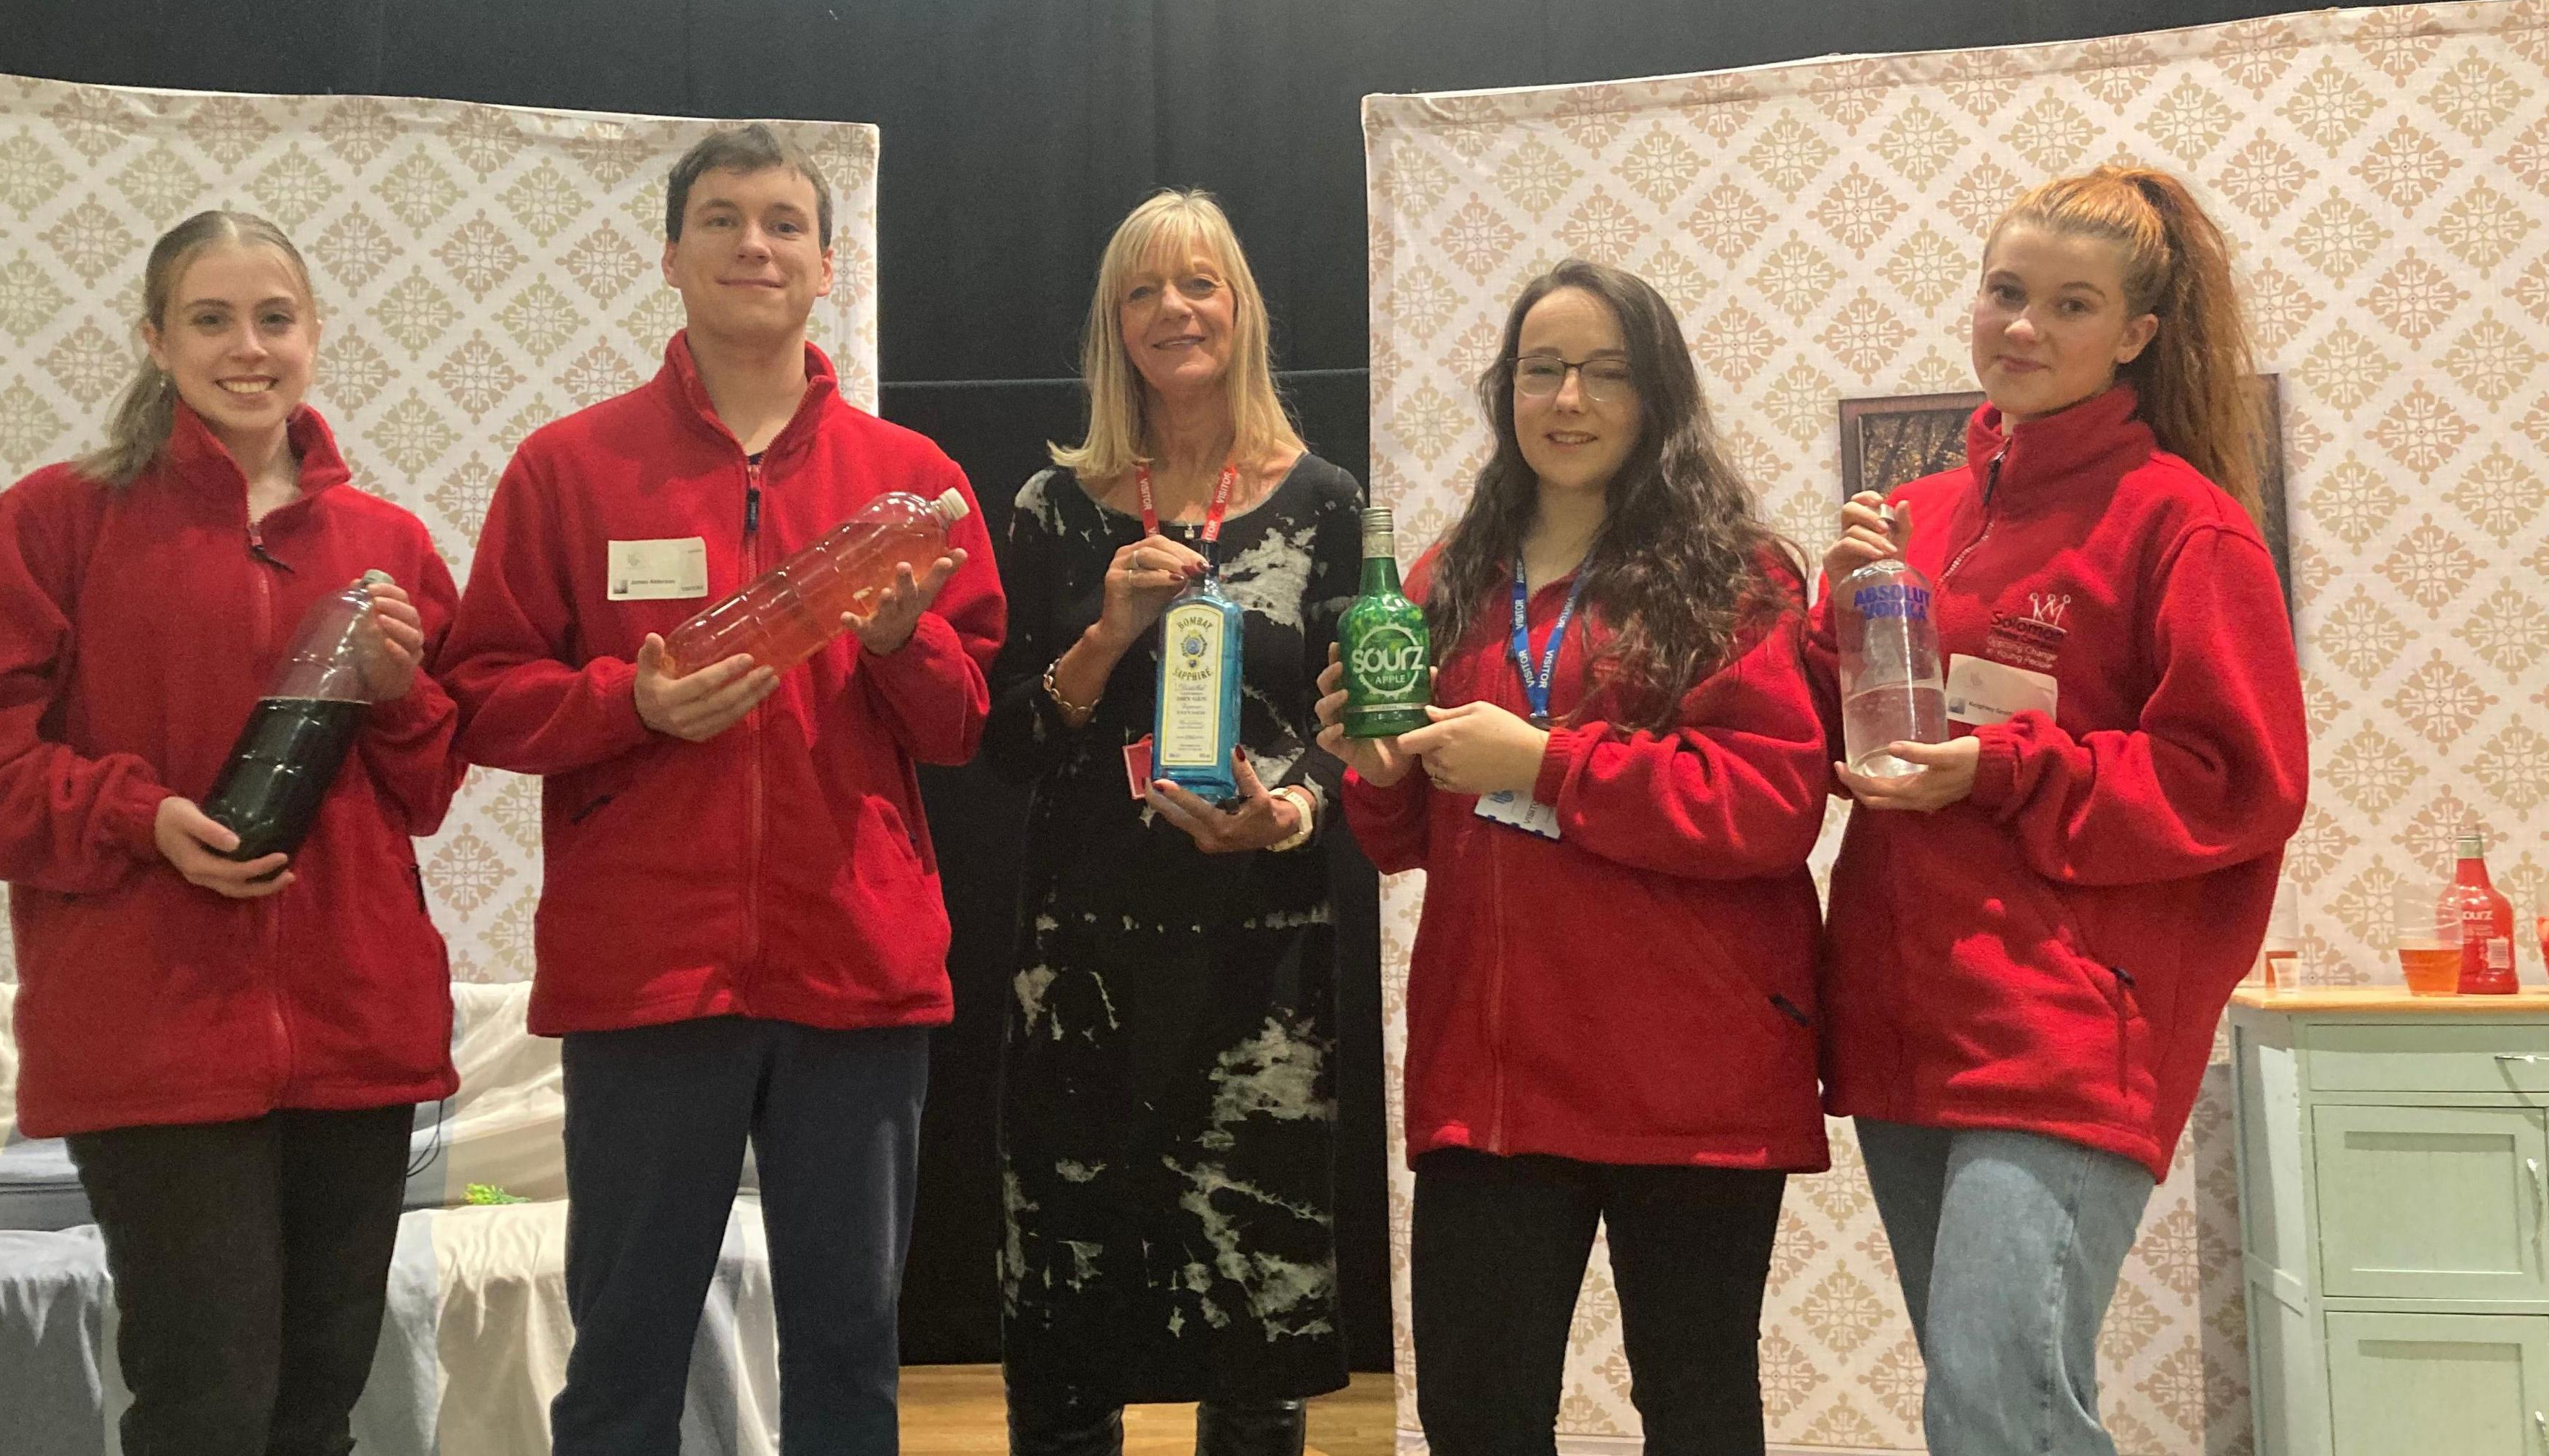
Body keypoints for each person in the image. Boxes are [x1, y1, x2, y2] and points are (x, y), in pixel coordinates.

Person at [433, 123, 1004, 1455]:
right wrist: (624, 701)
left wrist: (895, 643)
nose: (755, 243)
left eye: (785, 223)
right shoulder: (567, 468)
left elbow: (966, 723)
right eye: (723, 219)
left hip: (856, 968)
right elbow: (481, 698)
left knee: (852, 1348)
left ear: (822, 265)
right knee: (626, 1346)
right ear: (673, 256)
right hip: (648, 972)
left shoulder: (911, 480)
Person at [0, 210, 463, 1456]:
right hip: (152, 1033)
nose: (246, 346)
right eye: (211, 318)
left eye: (275, 318)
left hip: (359, 1033)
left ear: (313, 336)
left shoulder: (390, 548)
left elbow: (425, 789)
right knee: (206, 1405)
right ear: (156, 339)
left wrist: (402, 690)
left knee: (319, 1403)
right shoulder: (56, 523)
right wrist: (140, 817)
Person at [1807, 164, 2309, 1456]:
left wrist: (2011, 768)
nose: (2021, 328)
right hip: (1907, 1012)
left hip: (2070, 1027)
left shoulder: (2185, 527)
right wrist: (1839, 608)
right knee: (1985, 1406)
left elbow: (2236, 783)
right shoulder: (1915, 518)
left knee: (1999, 1409)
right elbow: (1843, 742)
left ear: (2138, 334)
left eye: (2069, 305)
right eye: (2005, 291)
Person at [1318, 260, 1828, 1455]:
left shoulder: (1740, 576)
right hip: (1493, 1082)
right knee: (1477, 1418)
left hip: (1690, 1077)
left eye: (1606, 373)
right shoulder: (1443, 580)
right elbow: (1410, 842)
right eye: (1541, 370)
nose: (1568, 399)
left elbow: (1766, 806)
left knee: (1697, 1412)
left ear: (1656, 396)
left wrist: (1545, 761)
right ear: (1507, 392)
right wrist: (1378, 771)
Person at [983, 189, 1364, 1456]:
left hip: (1261, 954)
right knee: (1069, 1315)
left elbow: (1354, 724)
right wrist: (1105, 635)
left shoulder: (1323, 501)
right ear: (1113, 326)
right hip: (1083, 961)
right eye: (1143, 291)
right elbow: (1007, 744)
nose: (1173, 310)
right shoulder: (1053, 505)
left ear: (1241, 310)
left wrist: (1296, 807)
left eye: (1199, 283)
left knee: (1252, 1321)